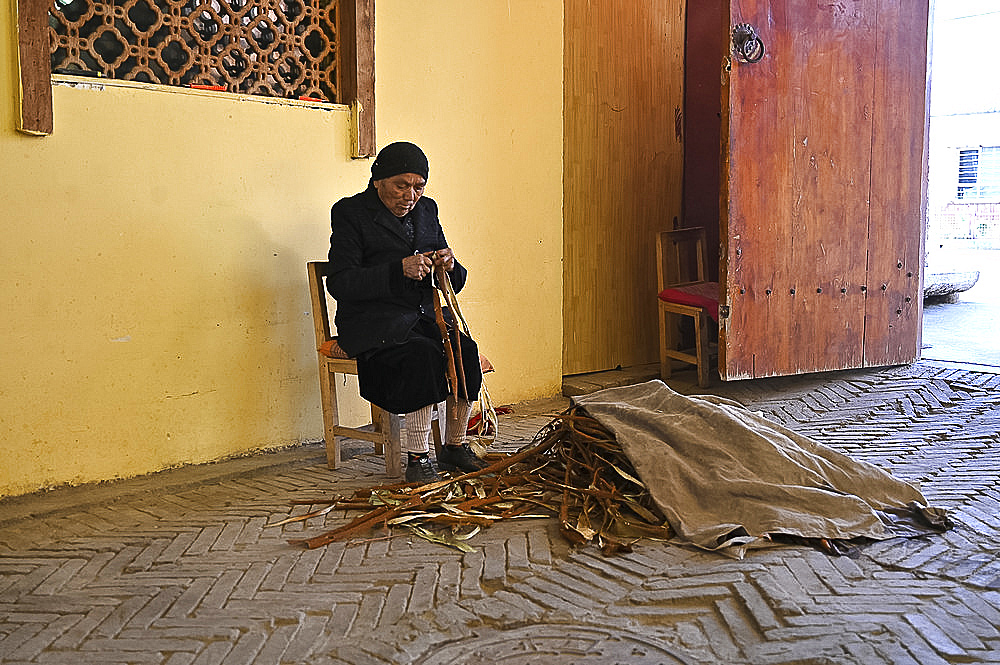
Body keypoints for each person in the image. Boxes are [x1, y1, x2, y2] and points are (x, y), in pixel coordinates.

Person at [327, 141, 487, 483]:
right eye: (401, 185)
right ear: (378, 181)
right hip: (372, 322)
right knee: (422, 355)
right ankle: (418, 458)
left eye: (418, 186)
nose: (410, 195)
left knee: (466, 350)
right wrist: (395, 270)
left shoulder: (428, 211)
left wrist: (449, 264)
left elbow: (453, 283)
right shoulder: (351, 213)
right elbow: (341, 283)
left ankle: (454, 446)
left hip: (421, 316)